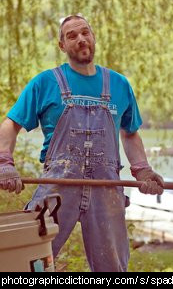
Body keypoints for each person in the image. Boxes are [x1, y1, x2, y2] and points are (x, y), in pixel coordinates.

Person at [0, 15, 164, 272]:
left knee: (113, 270)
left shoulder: (119, 84)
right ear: (62, 45)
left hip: (106, 188)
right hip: (58, 188)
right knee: (29, 265)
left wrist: (142, 169)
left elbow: (130, 133)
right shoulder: (45, 83)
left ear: (93, 37)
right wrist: (5, 163)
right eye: (71, 35)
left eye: (85, 32)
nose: (81, 39)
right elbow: (10, 125)